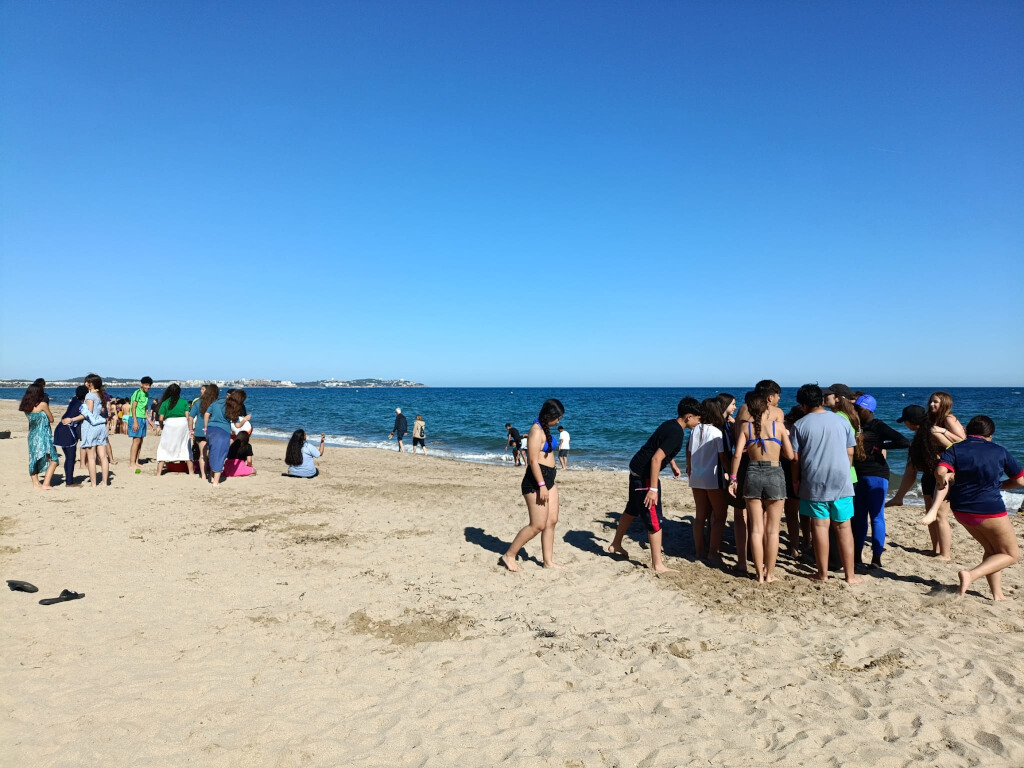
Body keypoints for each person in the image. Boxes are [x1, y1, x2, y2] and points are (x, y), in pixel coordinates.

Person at [921, 416, 1024, 599]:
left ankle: (997, 594)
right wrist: (1000, 485)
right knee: (1011, 555)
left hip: (961, 510)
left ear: (967, 431)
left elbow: (940, 471)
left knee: (993, 550)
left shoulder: (955, 448)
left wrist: (941, 480)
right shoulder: (999, 451)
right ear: (990, 435)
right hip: (989, 510)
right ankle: (971, 575)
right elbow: (1020, 481)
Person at [605, 397, 703, 574]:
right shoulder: (677, 433)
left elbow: (658, 447)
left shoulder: (670, 424)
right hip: (644, 474)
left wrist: (672, 463)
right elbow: (656, 458)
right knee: (655, 521)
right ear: (689, 416)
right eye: (698, 418)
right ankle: (658, 565)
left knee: (632, 509)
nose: (699, 422)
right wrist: (653, 488)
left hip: (636, 468)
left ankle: (616, 544)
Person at [790, 384, 862, 584]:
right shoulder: (842, 421)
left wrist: (795, 481)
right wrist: (845, 471)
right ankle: (850, 575)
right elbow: (850, 451)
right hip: (841, 479)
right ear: (821, 400)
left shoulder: (800, 425)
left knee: (820, 527)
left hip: (814, 479)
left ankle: (822, 574)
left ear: (804, 405)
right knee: (844, 527)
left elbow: (795, 459)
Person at [728, 390, 796, 582]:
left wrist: (733, 478)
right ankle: (770, 574)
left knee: (756, 529)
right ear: (768, 408)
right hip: (774, 472)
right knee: (772, 530)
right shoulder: (779, 427)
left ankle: (758, 575)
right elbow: (790, 456)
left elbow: (737, 454)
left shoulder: (746, 428)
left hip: (752, 472)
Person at [501, 399, 565, 572]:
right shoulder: (536, 430)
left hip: (549, 480)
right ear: (549, 416)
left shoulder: (545, 428)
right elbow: (532, 461)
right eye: (557, 418)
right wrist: (542, 485)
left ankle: (548, 562)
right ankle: (509, 555)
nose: (558, 421)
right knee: (537, 525)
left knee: (551, 521)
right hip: (536, 482)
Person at [886, 403, 955, 560]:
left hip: (941, 476)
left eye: (905, 421)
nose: (905, 424)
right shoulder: (920, 434)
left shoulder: (932, 432)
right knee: (929, 513)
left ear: (911, 421)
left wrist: (943, 461)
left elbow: (954, 448)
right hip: (928, 475)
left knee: (940, 516)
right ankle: (935, 549)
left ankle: (945, 554)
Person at [851, 394, 909, 569]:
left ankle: (876, 558)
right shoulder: (853, 425)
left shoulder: (878, 425)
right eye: (854, 408)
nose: (856, 411)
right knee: (859, 518)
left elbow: (904, 441)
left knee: (876, 517)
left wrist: (880, 446)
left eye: (859, 409)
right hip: (857, 475)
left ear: (868, 410)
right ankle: (857, 556)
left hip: (877, 474)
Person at [687, 397, 729, 561]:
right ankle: (713, 552)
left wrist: (689, 468)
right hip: (713, 477)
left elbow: (689, 451)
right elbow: (723, 457)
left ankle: (699, 551)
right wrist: (731, 474)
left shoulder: (695, 429)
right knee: (719, 516)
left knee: (700, 517)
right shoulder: (717, 432)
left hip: (696, 476)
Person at [71, 373, 110, 487]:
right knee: (103, 456)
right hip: (101, 426)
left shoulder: (89, 396)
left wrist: (72, 419)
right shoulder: (100, 395)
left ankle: (93, 483)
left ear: (91, 384)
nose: (85, 383)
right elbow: (101, 411)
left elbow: (88, 414)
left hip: (91, 427)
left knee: (91, 457)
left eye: (87, 381)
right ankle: (104, 482)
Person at [20, 384, 59, 490]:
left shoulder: (26, 406)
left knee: (34, 459)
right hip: (43, 435)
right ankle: (46, 484)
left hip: (32, 435)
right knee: (54, 459)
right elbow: (51, 419)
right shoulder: (42, 404)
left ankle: (36, 483)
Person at [155, 383, 193, 476]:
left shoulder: (165, 403)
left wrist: (162, 426)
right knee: (185, 446)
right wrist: (190, 429)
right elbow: (188, 417)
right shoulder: (184, 402)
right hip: (182, 424)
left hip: (169, 424)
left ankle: (159, 473)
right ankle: (191, 472)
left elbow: (161, 418)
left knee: (164, 446)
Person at [53, 386, 87, 487]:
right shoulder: (82, 405)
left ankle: (69, 479)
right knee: (71, 457)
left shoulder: (73, 401)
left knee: (68, 457)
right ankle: (69, 482)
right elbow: (85, 415)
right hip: (68, 429)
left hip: (60, 428)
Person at [128, 376, 153, 470]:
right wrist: (135, 422)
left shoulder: (146, 394)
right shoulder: (137, 393)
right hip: (136, 418)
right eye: (146, 385)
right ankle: (132, 463)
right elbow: (133, 408)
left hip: (142, 418)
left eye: (149, 385)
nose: (148, 387)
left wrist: (148, 420)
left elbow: (145, 408)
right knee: (136, 440)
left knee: (141, 441)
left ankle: (136, 461)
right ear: (142, 384)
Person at [188, 385, 209, 480]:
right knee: (205, 454)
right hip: (203, 431)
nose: (201, 391)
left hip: (206, 431)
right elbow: (190, 417)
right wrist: (191, 431)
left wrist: (191, 430)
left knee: (205, 454)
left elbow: (191, 417)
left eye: (203, 389)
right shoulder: (199, 403)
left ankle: (205, 474)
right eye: (201, 389)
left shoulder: (200, 403)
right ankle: (206, 474)